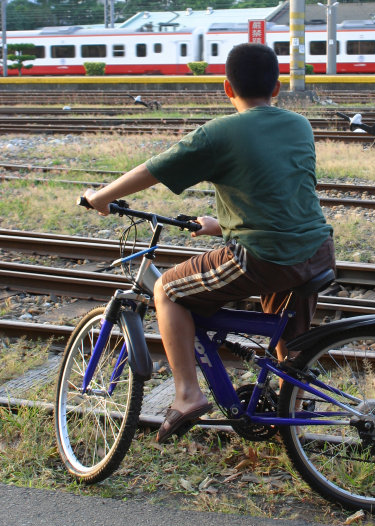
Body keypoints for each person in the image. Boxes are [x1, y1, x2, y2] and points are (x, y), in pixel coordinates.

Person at [83, 43, 335, 443]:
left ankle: (186, 395)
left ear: (226, 87)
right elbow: (279, 192)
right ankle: (294, 410)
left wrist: (101, 197)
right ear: (278, 88)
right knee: (289, 341)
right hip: (315, 252)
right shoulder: (298, 124)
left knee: (167, 289)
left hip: (264, 257)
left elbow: (153, 169)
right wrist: (221, 225)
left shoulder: (219, 132)